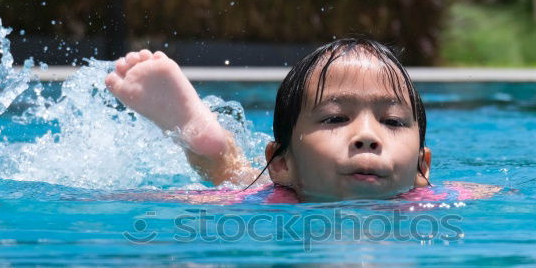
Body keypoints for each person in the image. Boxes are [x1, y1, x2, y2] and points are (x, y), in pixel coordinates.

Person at [104, 37, 496, 203]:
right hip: (275, 189)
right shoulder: (278, 197)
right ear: (282, 162)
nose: (367, 136)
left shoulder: (431, 199)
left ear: (422, 167)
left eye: (392, 122)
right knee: (235, 177)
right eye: (336, 118)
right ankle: (206, 140)